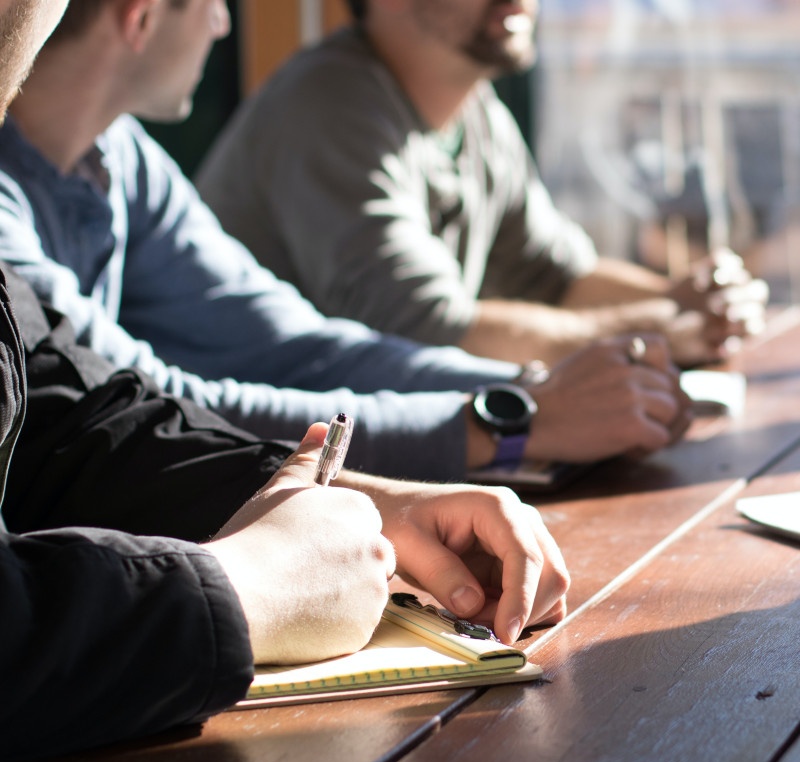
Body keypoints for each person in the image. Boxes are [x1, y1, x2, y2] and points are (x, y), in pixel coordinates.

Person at [0, 1, 573, 762]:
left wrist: (348, 497)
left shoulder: (121, 157)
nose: (223, 24)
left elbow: (73, 417)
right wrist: (245, 586)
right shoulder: (331, 101)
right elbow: (404, 314)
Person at [0, 0, 692, 485]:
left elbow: (291, 342)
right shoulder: (10, 206)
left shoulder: (120, 155)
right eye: (213, 0)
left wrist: (521, 388)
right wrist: (506, 422)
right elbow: (153, 407)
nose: (223, 23)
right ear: (141, 14)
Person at [195, 0, 769, 370]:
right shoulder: (328, 104)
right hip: (265, 469)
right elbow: (426, 331)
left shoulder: (476, 109)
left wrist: (689, 299)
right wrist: (660, 330)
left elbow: (557, 276)